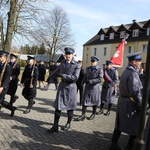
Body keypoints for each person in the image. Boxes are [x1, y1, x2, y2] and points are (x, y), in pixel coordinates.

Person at [109, 52, 143, 150]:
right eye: (139, 61)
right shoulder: (133, 74)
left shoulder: (125, 71)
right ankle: (129, 147)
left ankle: (113, 144)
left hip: (122, 101)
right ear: (133, 62)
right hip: (130, 103)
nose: (140, 63)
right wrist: (140, 104)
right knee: (136, 126)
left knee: (119, 125)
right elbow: (135, 92)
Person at [47, 47, 80, 133]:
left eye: (69, 54)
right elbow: (57, 70)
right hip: (62, 87)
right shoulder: (62, 63)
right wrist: (50, 77)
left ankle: (68, 123)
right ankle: (55, 126)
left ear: (72, 55)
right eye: (66, 54)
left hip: (71, 88)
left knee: (70, 107)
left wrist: (63, 75)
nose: (68, 56)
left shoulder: (76, 65)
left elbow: (75, 77)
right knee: (58, 107)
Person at [74, 56, 103, 121]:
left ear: (96, 62)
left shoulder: (99, 69)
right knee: (84, 101)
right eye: (91, 61)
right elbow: (85, 76)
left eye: (93, 61)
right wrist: (82, 83)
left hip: (94, 87)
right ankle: (83, 115)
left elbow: (100, 79)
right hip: (87, 87)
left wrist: (91, 81)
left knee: (94, 101)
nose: (92, 63)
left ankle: (93, 114)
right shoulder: (87, 68)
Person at [0, 50, 16, 117]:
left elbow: (7, 78)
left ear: (5, 57)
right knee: (1, 101)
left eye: (1, 56)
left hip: (4, 87)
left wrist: (2, 87)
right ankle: (12, 108)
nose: (0, 58)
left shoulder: (8, 67)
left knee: (0, 101)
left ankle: (11, 108)